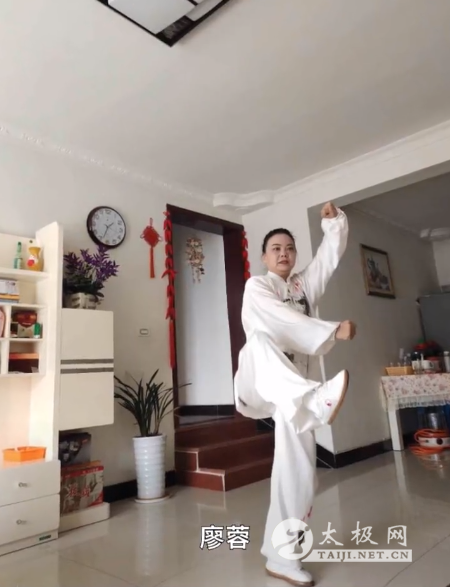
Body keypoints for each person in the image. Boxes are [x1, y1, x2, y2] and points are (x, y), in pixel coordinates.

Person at [234, 202, 356, 587]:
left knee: (299, 469)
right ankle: (312, 399)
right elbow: (280, 321)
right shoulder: (257, 286)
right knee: (257, 341)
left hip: (294, 397)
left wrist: (333, 223)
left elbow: (328, 259)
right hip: (259, 380)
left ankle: (283, 557)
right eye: (276, 249)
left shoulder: (303, 285)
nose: (283, 253)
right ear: (264, 257)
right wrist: (330, 330)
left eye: (289, 248)